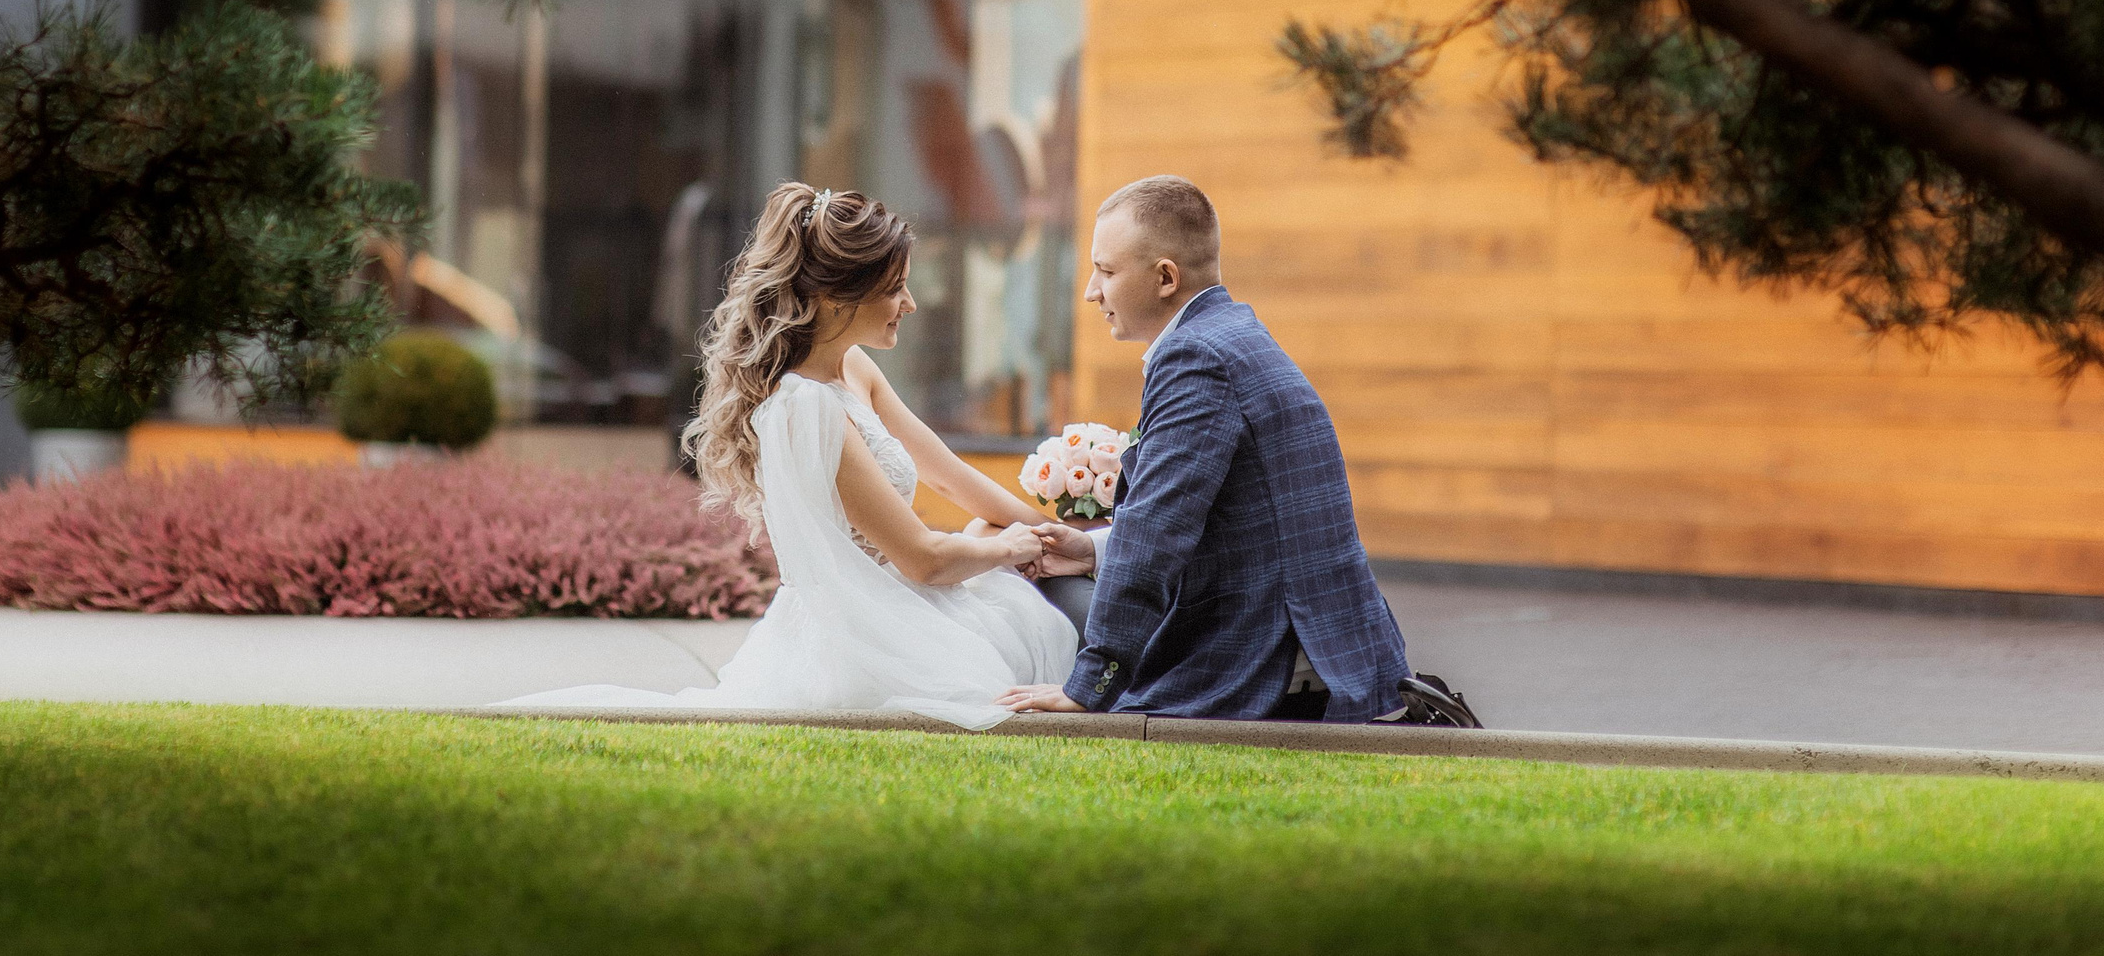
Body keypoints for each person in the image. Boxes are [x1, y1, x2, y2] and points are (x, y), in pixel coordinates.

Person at [505, 183, 1076, 729]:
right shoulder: (806, 409)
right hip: (866, 633)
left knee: (994, 549)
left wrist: (1067, 538)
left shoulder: (854, 367)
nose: (910, 303)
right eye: (894, 288)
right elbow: (922, 559)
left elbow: (950, 478)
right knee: (1011, 602)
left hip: (899, 599)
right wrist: (1010, 547)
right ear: (835, 296)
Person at [999, 176, 1477, 726]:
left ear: (1165, 278)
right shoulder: (1235, 336)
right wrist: (1092, 550)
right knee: (1059, 578)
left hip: (1261, 661)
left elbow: (1156, 532)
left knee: (1035, 595)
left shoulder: (1195, 358)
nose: (1091, 291)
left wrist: (1088, 688)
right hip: (1333, 651)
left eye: (1106, 271)